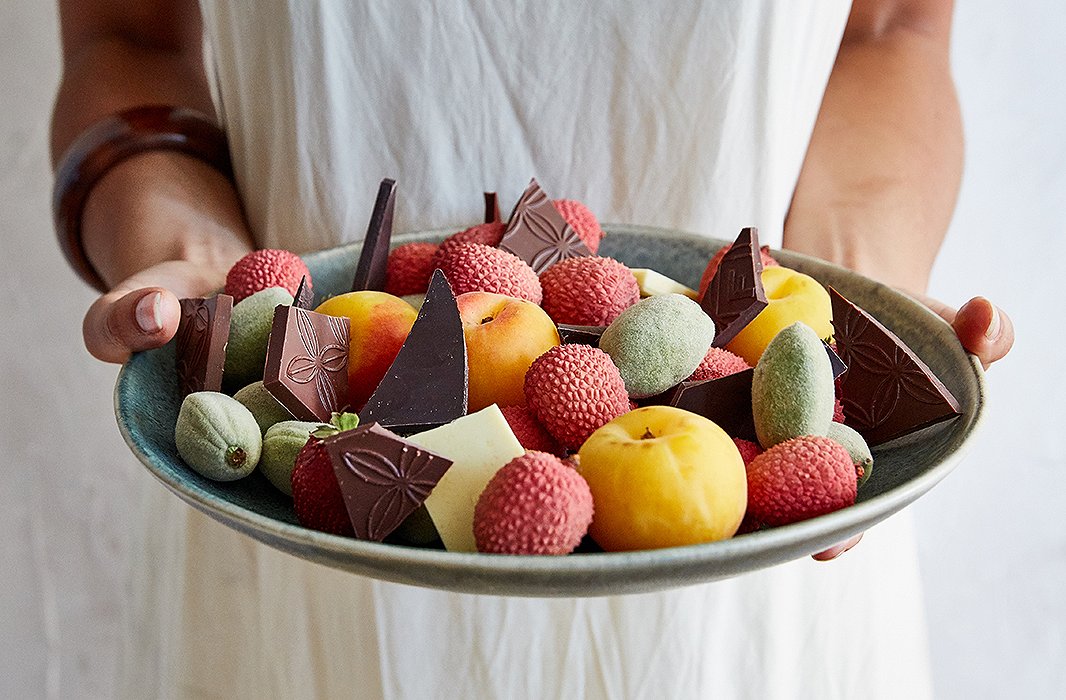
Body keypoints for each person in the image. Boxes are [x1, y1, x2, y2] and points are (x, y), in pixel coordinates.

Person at [51, 1, 1014, 697]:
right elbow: (125, 37)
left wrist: (848, 300)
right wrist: (183, 252)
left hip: (753, 560)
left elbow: (890, 32)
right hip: (310, 509)